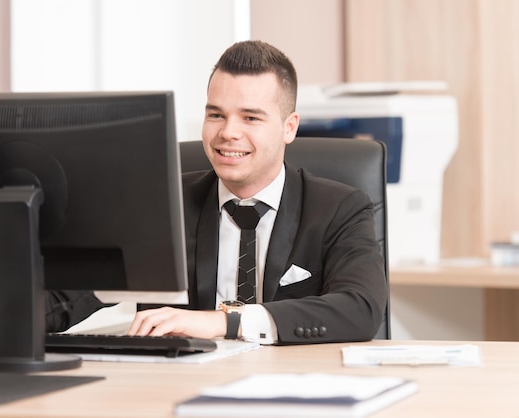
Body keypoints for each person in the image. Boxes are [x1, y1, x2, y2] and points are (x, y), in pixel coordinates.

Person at [126, 40, 387, 344]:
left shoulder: (340, 209)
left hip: (293, 382)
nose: (228, 132)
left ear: (289, 127)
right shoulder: (166, 205)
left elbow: (361, 309)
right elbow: (78, 293)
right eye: (216, 115)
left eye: (250, 117)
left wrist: (228, 323)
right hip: (183, 382)